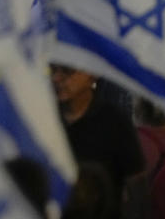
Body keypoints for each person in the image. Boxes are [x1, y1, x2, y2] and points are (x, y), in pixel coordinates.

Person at [50, 65, 146, 218]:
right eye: (53, 70)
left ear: (92, 75)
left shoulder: (114, 122)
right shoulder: (44, 118)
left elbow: (136, 185)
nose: (56, 78)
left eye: (67, 71)